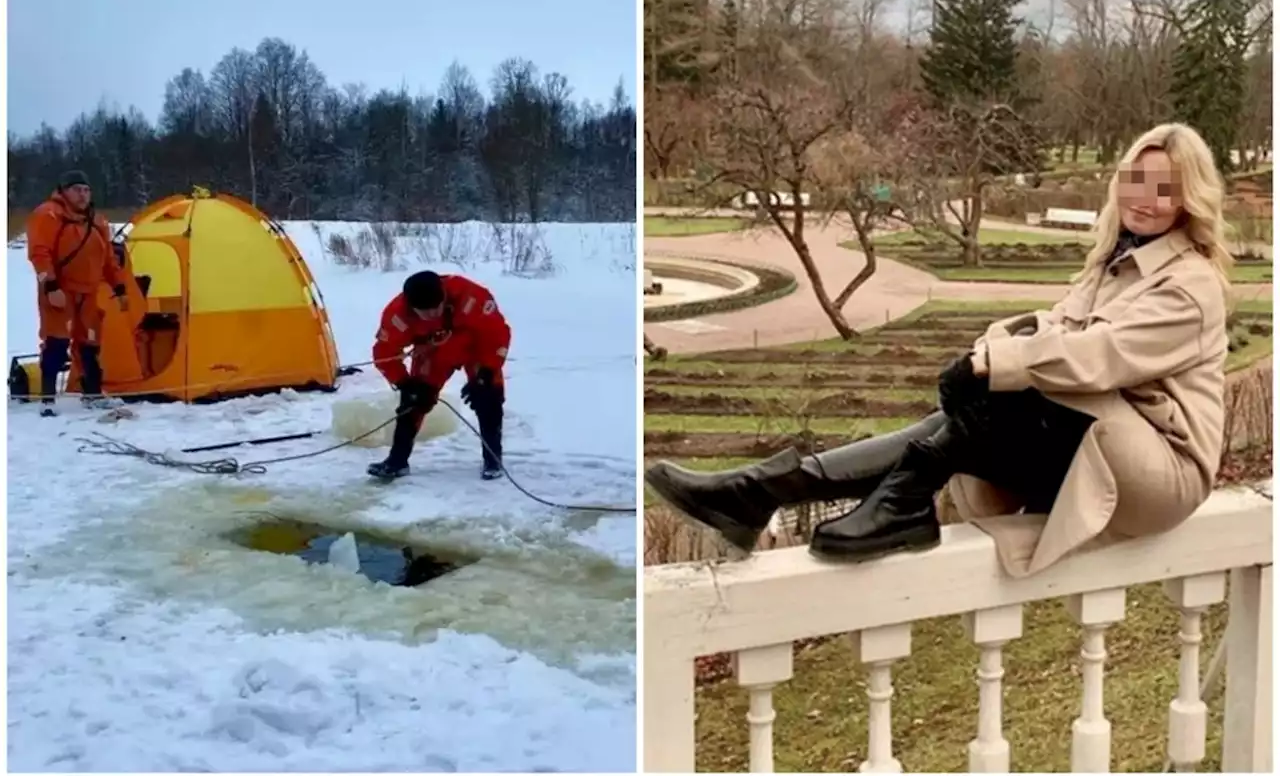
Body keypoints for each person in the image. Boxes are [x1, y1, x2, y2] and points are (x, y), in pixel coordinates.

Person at [646, 122, 1232, 578]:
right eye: (1138, 181)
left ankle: (888, 500)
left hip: (1163, 473)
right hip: (1101, 446)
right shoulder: (1117, 260)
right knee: (972, 407)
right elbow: (1057, 324)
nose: (1147, 199)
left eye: (1166, 190)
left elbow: (1101, 354)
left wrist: (995, 366)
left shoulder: (1191, 283)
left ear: (1189, 201)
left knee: (1024, 389)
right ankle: (767, 490)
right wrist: (991, 349)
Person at [368, 270, 512, 480]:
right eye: (424, 312)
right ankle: (397, 461)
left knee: (488, 397)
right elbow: (384, 353)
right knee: (413, 402)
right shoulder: (397, 315)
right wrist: (404, 383)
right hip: (434, 352)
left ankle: (493, 462)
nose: (432, 314)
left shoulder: (471, 296)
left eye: (437, 307)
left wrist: (487, 371)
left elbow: (497, 333)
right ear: (411, 306)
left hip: (476, 347)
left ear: (444, 295)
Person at [26, 170, 129, 416]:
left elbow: (107, 260)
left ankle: (92, 393)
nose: (82, 195)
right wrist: (51, 286)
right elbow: (39, 253)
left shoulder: (98, 221)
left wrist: (120, 287)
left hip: (89, 293)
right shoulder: (48, 215)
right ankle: (48, 399)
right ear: (64, 191)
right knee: (56, 341)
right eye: (76, 190)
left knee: (90, 343)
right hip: (61, 291)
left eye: (86, 190)